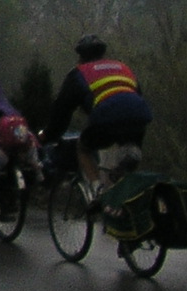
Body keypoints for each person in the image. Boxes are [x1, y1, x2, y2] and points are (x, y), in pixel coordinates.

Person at [42, 34, 152, 188]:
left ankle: (96, 189)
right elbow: (135, 94)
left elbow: (61, 112)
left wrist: (48, 135)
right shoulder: (122, 67)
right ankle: (129, 160)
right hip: (139, 115)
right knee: (129, 145)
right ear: (102, 53)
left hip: (107, 119)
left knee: (83, 147)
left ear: (80, 57)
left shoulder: (79, 73)